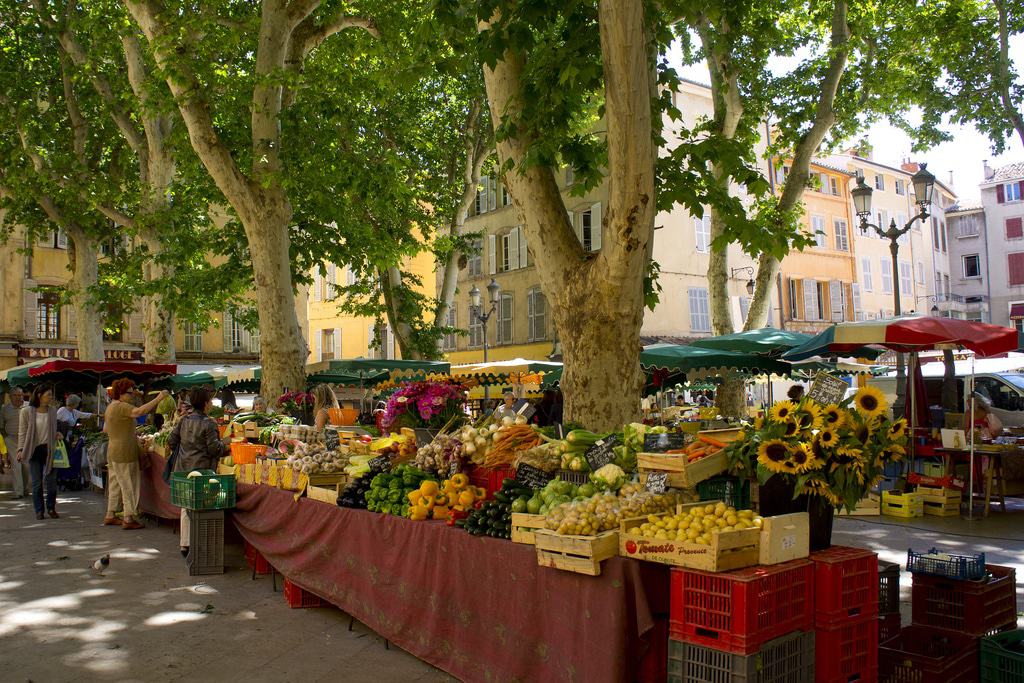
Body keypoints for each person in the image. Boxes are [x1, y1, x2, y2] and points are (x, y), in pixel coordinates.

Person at [169, 388, 228, 558]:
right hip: (202, 470)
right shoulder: (208, 423)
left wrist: (186, 452)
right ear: (204, 403)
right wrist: (226, 445)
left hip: (183, 469)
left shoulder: (184, 420)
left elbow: (172, 442)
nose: (211, 404)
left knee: (186, 506)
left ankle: (185, 544)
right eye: (210, 401)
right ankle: (200, 545)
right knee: (202, 507)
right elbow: (214, 449)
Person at [103, 379, 168, 530]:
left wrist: (129, 431)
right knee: (129, 484)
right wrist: (159, 398)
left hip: (113, 449)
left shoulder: (111, 407)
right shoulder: (122, 406)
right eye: (129, 393)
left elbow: (107, 429)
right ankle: (128, 517)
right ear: (121, 393)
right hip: (125, 451)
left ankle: (110, 514)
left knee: (115, 484)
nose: (132, 396)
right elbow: (140, 412)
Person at [16, 386, 62, 520]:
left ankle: (51, 508)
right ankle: (39, 510)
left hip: (49, 449)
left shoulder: (53, 411)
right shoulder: (26, 412)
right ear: (40, 395)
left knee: (52, 482)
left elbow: (54, 429)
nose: (51, 397)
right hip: (33, 449)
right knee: (37, 483)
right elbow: (22, 432)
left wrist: (57, 434)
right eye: (49, 395)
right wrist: (20, 449)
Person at [1, 387, 29, 499]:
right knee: (16, 465)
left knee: (26, 465)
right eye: (16, 395)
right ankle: (19, 492)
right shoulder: (5, 409)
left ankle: (25, 489)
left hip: (26, 439)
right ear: (10, 397)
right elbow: (1, 425)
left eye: (21, 395)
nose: (19, 397)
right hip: (11, 439)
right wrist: (6, 436)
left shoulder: (29, 406)